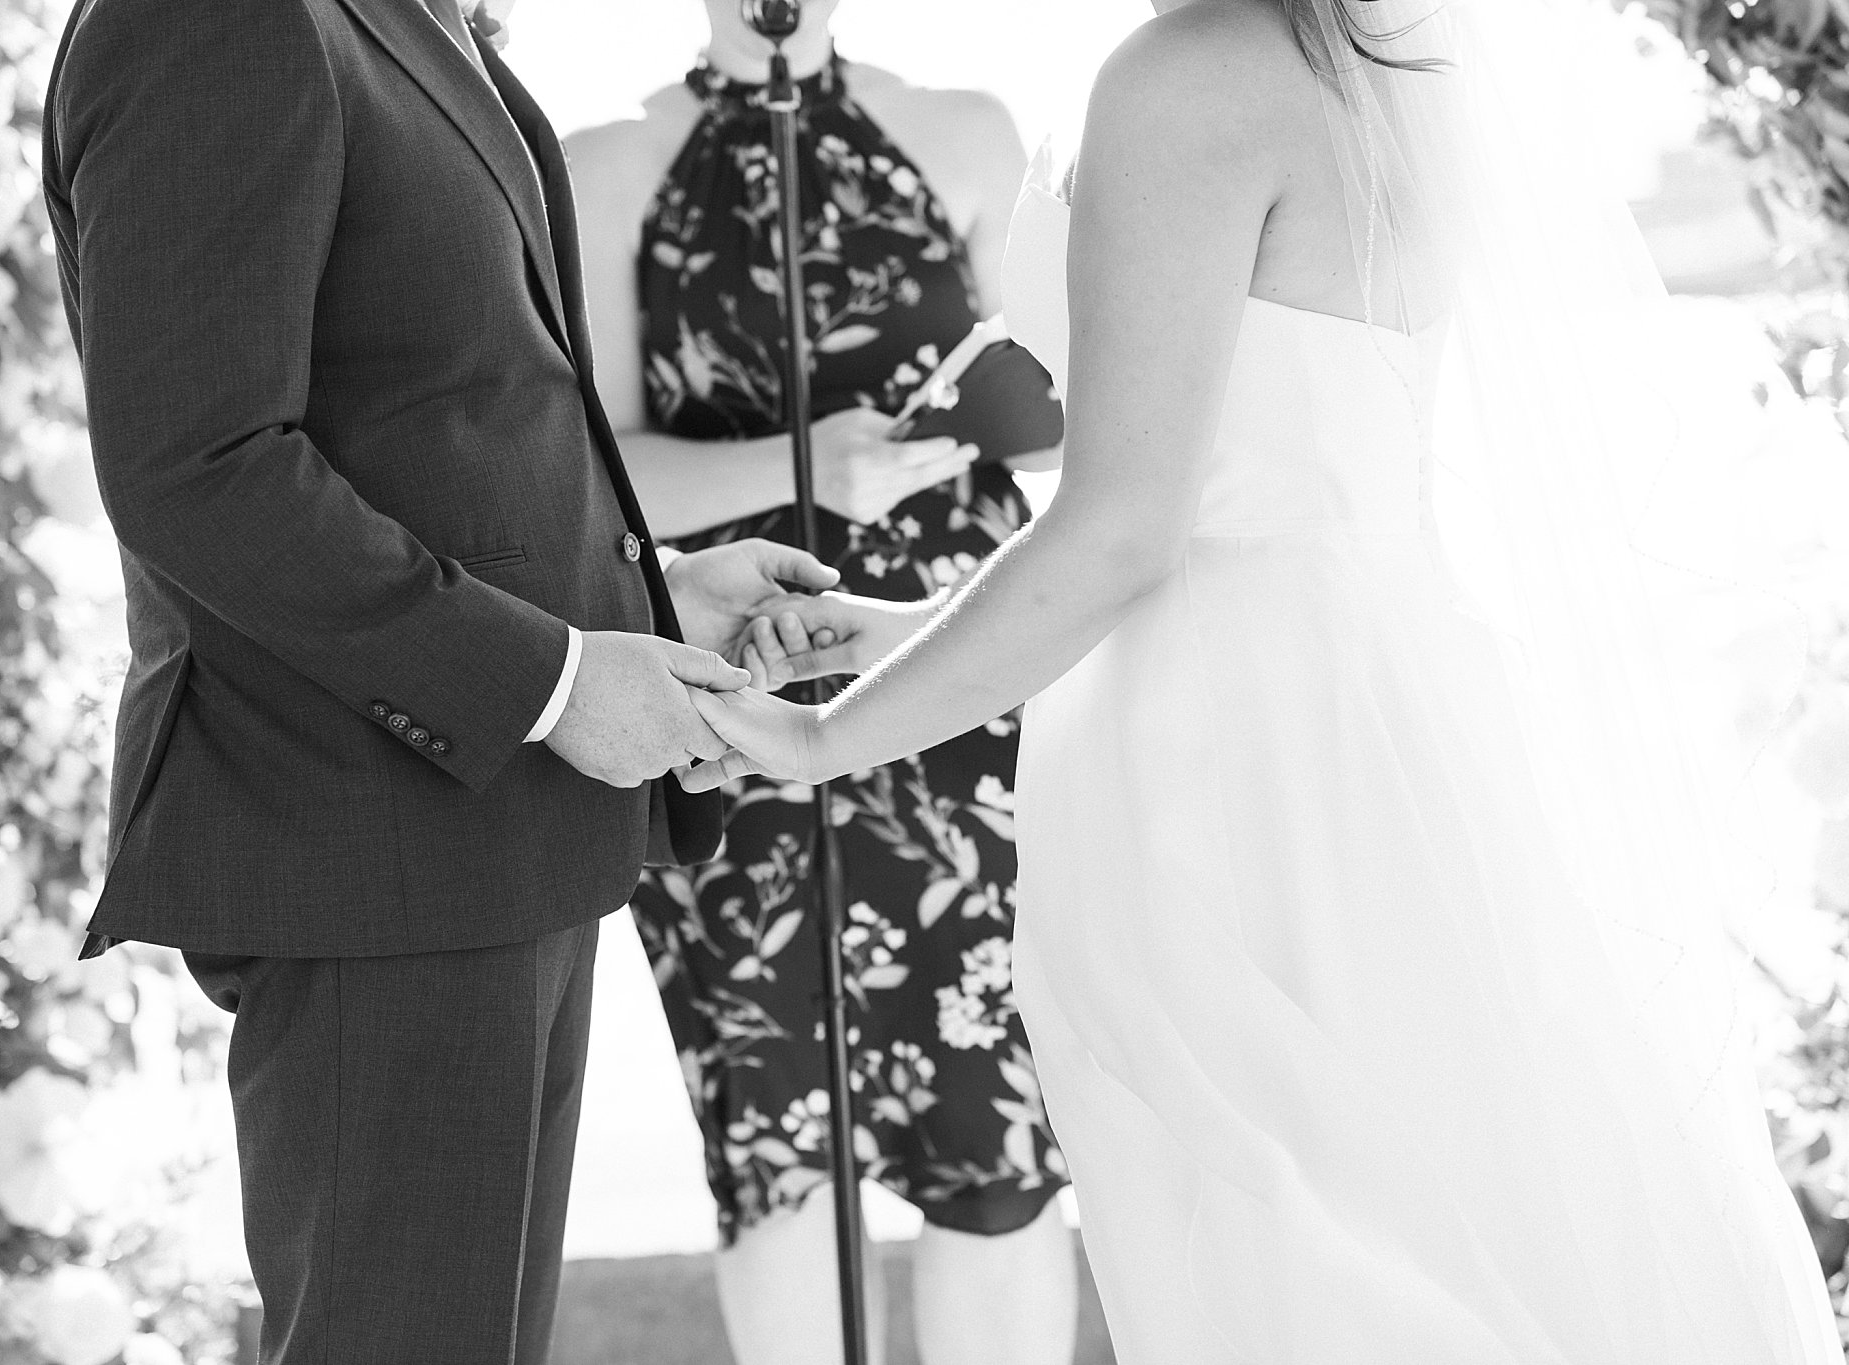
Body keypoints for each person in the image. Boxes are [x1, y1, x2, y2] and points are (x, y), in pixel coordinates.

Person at [689, 0, 1848, 1358]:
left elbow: (1130, 530)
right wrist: (892, 628)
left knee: (1298, 1262)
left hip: (1228, 772)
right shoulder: (1373, 58)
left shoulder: (1188, 74)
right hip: (1374, 711)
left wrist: (822, 741)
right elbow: (1258, 485)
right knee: (1443, 1206)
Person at [41, 0, 842, 1360]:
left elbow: (447, 410)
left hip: (491, 839)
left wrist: (642, 600)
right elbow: (203, 466)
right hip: (372, 844)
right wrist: (553, 681)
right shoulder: (216, 19)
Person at [562, 5, 1076, 1363]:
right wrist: (803, 469)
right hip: (738, 683)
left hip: (957, 670)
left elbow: (1043, 410)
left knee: (998, 1131)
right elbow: (593, 468)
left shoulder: (970, 133)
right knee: (774, 1135)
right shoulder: (605, 163)